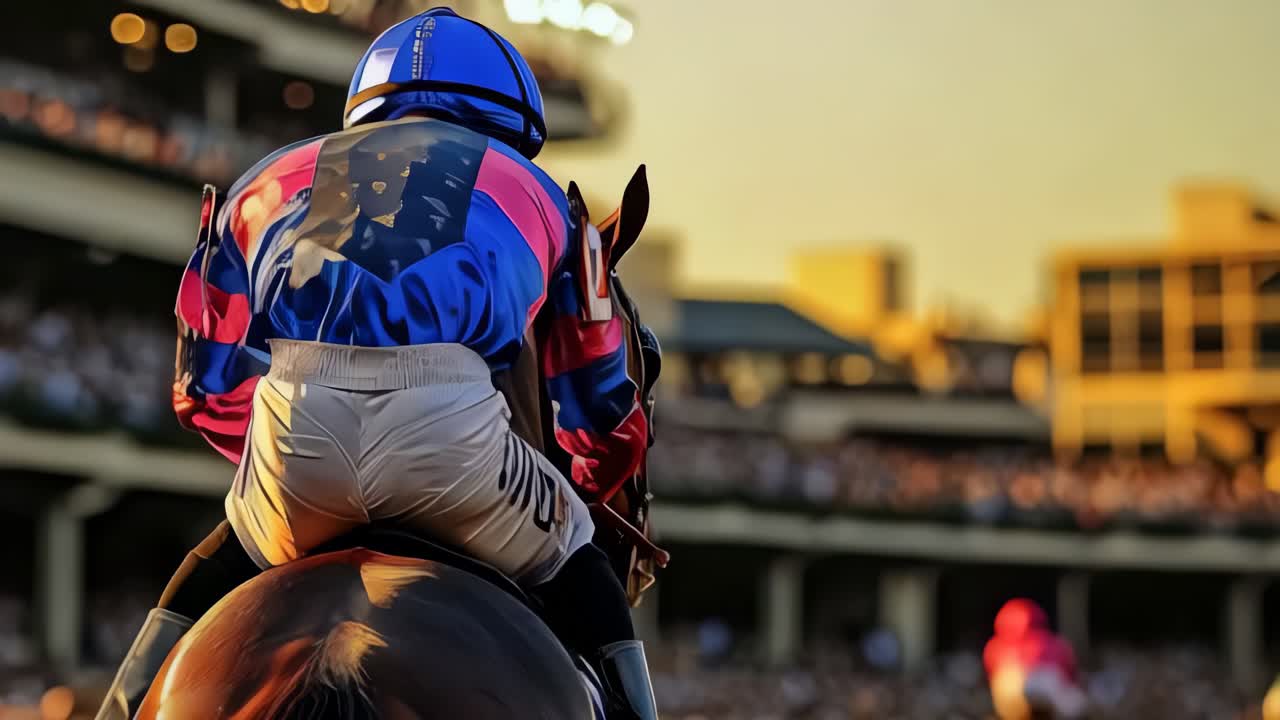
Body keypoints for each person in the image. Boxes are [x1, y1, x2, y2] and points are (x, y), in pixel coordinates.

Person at [96, 8, 658, 719]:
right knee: (580, 560)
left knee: (216, 561)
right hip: (449, 424)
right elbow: (595, 393)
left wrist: (271, 456)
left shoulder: (266, 176)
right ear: (516, 121)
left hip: (293, 419)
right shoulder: (544, 196)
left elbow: (201, 385)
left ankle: (116, 709)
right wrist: (587, 476)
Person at [984, 598, 1086, 720]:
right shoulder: (1055, 643)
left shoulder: (994, 647)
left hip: (1017, 705)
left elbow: (991, 677)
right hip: (1040, 701)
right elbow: (1070, 675)